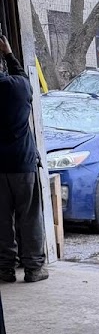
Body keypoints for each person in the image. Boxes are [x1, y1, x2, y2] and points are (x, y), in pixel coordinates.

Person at [0, 33, 47, 283]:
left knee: (1, 220)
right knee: (29, 217)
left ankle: (5, 268)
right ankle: (33, 269)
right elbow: (24, 78)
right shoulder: (19, 87)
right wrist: (8, 53)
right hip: (23, 163)